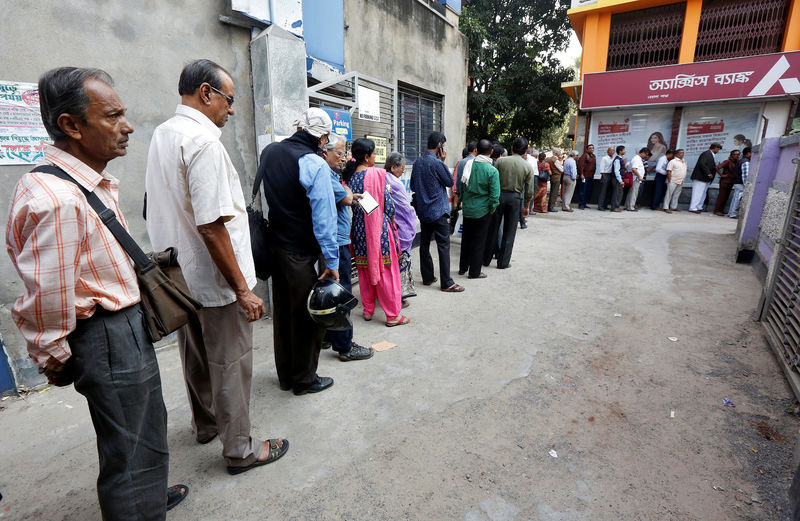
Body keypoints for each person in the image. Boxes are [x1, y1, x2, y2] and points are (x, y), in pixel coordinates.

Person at [7, 67, 186, 519]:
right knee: (129, 447)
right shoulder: (60, 199)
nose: (127, 127)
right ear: (71, 125)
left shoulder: (73, 183)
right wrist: (51, 355)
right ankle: (137, 505)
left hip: (118, 330)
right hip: (106, 334)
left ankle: (146, 495)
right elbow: (48, 295)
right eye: (112, 116)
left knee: (143, 430)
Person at [145, 60, 288, 474]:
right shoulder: (203, 142)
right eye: (229, 100)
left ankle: (206, 423)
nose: (231, 110)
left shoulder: (164, 134)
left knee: (194, 355)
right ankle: (241, 449)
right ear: (206, 93)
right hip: (213, 278)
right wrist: (243, 289)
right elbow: (211, 226)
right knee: (230, 361)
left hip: (178, 275)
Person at [259, 107, 340, 394]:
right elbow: (324, 219)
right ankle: (304, 379)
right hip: (302, 253)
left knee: (283, 313)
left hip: (276, 247)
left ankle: (286, 376)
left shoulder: (269, 152)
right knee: (310, 315)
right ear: (322, 138)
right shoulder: (314, 164)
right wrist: (332, 261)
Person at [320, 133, 374, 360]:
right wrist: (349, 195)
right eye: (340, 153)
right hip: (337, 240)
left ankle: (328, 335)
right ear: (325, 152)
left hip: (336, 238)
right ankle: (345, 346)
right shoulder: (326, 174)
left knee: (330, 289)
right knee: (340, 292)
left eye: (345, 153)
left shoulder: (331, 173)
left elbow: (347, 196)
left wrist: (351, 195)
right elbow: (344, 196)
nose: (344, 158)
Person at [346, 139, 409, 326]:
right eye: (373, 154)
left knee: (364, 271)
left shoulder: (350, 177)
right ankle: (392, 316)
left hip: (359, 231)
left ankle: (368, 310)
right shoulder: (377, 174)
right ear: (366, 157)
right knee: (386, 271)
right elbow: (389, 207)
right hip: (378, 231)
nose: (375, 158)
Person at [410, 131, 465, 292]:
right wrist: (443, 161)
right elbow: (449, 181)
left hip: (423, 210)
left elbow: (413, 186)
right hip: (438, 211)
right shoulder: (437, 163)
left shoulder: (418, 162)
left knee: (424, 244)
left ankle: (428, 277)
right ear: (440, 146)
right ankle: (447, 282)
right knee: (443, 246)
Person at [484, 137, 533, 269]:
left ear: (512, 148)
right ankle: (503, 262)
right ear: (525, 151)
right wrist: (527, 206)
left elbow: (492, 180)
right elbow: (529, 190)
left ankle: (486, 259)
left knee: (493, 228)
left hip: (499, 196)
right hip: (515, 199)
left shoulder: (500, 161)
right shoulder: (527, 166)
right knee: (510, 231)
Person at [458, 139, 500, 278]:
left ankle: (463, 267)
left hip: (468, 208)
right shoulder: (492, 170)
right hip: (483, 210)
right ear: (491, 152)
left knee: (466, 239)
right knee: (479, 242)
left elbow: (462, 187)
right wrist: (492, 208)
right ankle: (474, 272)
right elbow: (495, 195)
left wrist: (463, 202)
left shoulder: (468, 165)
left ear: (476, 150)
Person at [385, 152, 419, 306]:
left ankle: (386, 294)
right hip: (399, 228)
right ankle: (400, 297)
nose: (403, 171)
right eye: (402, 168)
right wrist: (413, 217)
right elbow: (405, 208)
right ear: (393, 167)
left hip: (387, 228)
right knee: (402, 263)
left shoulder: (383, 178)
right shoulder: (395, 183)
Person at [451, 141, 477, 234]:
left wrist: (459, 194)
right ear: (475, 150)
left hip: (463, 195)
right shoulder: (476, 162)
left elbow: (458, 180)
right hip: (473, 197)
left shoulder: (461, 162)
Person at [689, 143, 722, 213]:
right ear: (714, 148)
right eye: (718, 149)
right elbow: (702, 163)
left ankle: (699, 207)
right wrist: (708, 173)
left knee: (702, 193)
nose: (718, 151)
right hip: (700, 177)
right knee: (697, 193)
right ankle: (693, 207)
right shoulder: (706, 153)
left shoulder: (710, 154)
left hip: (705, 179)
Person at [713, 149, 741, 216]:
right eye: (735, 154)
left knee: (726, 197)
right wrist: (721, 175)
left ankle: (721, 210)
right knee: (721, 196)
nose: (736, 156)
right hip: (724, 182)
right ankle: (717, 210)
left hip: (731, 182)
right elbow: (717, 167)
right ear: (731, 155)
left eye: (738, 154)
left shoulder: (736, 162)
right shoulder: (727, 161)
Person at [728, 147, 751, 218]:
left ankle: (731, 213)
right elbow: (746, 176)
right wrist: (747, 185)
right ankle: (733, 214)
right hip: (740, 183)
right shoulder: (746, 162)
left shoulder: (741, 160)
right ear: (748, 153)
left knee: (735, 198)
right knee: (738, 198)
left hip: (737, 182)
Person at [663, 149, 687, 213]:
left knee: (676, 194)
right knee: (669, 194)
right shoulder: (673, 161)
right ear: (676, 154)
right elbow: (669, 171)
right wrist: (669, 180)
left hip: (680, 180)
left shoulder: (684, 161)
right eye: (681, 153)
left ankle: (673, 207)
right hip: (673, 180)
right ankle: (666, 207)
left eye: (683, 153)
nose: (682, 154)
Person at [577, 144, 596, 210]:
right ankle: (581, 204)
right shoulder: (584, 156)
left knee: (587, 191)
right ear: (587, 149)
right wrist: (582, 174)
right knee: (582, 190)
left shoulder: (593, 156)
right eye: (590, 148)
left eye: (592, 148)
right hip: (585, 176)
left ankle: (584, 204)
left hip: (591, 176)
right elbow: (580, 166)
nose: (591, 149)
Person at [596, 146, 615, 210]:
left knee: (608, 192)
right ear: (607, 151)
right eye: (611, 150)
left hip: (611, 175)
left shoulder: (614, 158)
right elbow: (602, 169)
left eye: (613, 150)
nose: (612, 152)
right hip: (605, 175)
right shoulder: (604, 158)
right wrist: (604, 177)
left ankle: (605, 205)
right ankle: (600, 206)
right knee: (603, 192)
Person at [610, 145, 626, 212]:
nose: (625, 151)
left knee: (619, 193)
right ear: (620, 151)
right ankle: (614, 208)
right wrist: (620, 180)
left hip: (619, 179)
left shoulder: (620, 159)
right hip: (617, 179)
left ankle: (617, 206)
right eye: (624, 150)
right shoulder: (617, 159)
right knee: (616, 193)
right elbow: (616, 171)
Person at [524, 146, 539, 215]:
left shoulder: (523, 158)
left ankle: (525, 209)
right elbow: (531, 169)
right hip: (533, 176)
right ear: (532, 152)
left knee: (525, 192)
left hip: (526, 175)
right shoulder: (532, 159)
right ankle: (529, 209)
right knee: (531, 193)